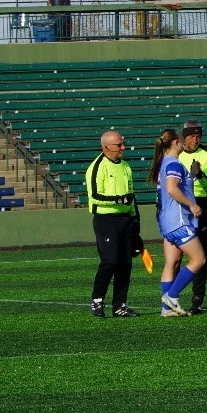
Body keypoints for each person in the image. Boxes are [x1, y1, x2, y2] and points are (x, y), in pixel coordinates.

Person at [86, 129, 141, 318]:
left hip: (125, 220)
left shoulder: (125, 166)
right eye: (119, 145)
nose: (123, 148)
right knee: (110, 261)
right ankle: (97, 299)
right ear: (106, 146)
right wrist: (118, 200)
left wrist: (136, 224)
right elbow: (94, 196)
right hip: (106, 220)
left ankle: (120, 305)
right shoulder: (97, 166)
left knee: (126, 264)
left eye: (122, 143)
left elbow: (132, 197)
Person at [151, 128, 206, 317]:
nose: (183, 144)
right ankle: (171, 296)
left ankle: (166, 309)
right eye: (181, 141)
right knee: (198, 259)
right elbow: (172, 188)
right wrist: (192, 205)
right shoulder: (173, 163)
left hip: (167, 221)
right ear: (176, 143)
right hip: (179, 220)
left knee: (172, 263)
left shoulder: (163, 163)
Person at [178, 121, 207, 312]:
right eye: (192, 136)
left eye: (199, 136)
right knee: (176, 254)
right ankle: (172, 295)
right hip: (180, 206)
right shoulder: (175, 154)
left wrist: (199, 174)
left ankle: (197, 299)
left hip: (200, 205)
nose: (196, 139)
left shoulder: (206, 154)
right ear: (184, 137)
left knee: (201, 254)